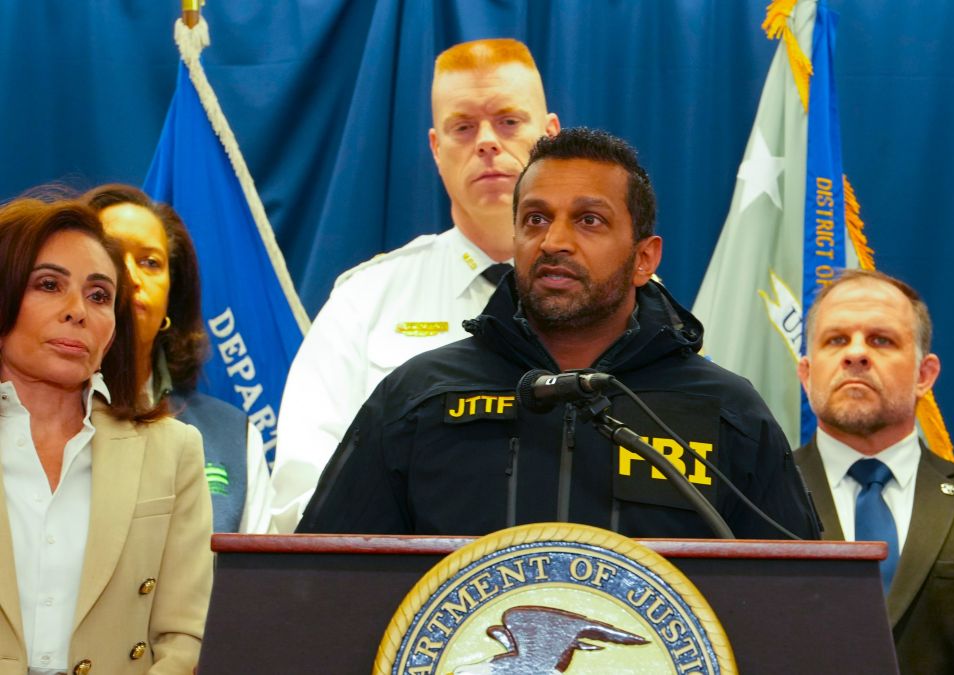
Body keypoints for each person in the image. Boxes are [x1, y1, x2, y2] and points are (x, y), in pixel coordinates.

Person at [297, 128, 819, 539]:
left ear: (644, 259)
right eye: (535, 219)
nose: (554, 242)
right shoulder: (420, 397)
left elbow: (798, 603)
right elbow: (324, 585)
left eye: (589, 220)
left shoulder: (725, 411)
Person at [271, 38, 562, 532]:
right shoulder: (364, 303)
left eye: (509, 122)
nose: (487, 142)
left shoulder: (616, 300)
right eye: (463, 127)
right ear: (436, 147)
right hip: (403, 592)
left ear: (551, 137)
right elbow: (301, 500)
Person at [0, 195, 212, 674]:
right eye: (49, 285)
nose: (77, 311)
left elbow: (186, 637)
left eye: (99, 296)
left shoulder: (172, 451)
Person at [793, 269, 954, 674]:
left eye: (881, 340)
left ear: (924, 375)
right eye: (836, 340)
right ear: (807, 375)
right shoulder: (755, 494)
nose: (856, 354)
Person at [84, 184, 273, 533]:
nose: (131, 277)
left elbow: (258, 582)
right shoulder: (27, 416)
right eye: (110, 256)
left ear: (172, 297)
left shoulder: (232, 435)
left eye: (150, 262)